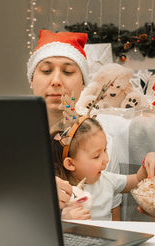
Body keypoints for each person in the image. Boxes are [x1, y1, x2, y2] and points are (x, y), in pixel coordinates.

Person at [27, 30, 121, 217]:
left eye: (68, 71)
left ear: (83, 83)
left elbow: (113, 216)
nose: (56, 81)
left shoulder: (103, 143)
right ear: (31, 80)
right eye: (46, 71)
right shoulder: (9, 141)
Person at [51, 111, 155, 220]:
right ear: (71, 163)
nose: (106, 159)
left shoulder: (107, 180)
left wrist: (150, 159)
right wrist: (66, 219)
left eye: (105, 149)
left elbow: (138, 179)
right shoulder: (58, 192)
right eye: (96, 156)